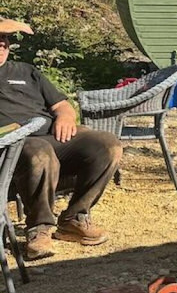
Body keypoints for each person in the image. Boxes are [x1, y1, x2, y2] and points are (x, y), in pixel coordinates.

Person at [0, 19, 122, 259]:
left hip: (51, 135)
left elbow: (61, 104)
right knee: (40, 152)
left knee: (108, 145)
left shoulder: (26, 71)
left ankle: (74, 218)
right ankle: (40, 228)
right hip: (12, 145)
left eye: (4, 41)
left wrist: (65, 117)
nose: (2, 46)